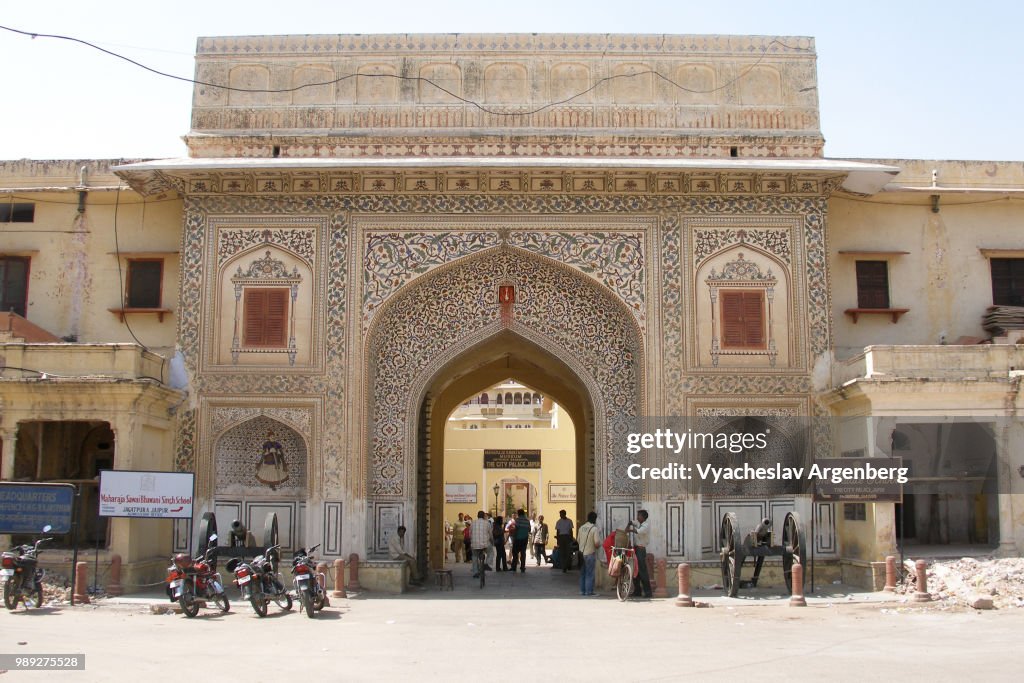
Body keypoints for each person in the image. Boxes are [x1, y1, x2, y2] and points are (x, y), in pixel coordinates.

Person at [577, 511, 601, 596]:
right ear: (594, 519)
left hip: (581, 554)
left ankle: (582, 591)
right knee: (589, 573)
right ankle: (589, 591)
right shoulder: (594, 529)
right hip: (590, 554)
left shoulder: (581, 528)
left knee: (583, 573)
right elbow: (597, 543)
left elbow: (578, 541)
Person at [631, 509, 653, 598]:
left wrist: (630, 530)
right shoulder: (639, 524)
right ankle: (637, 591)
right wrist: (631, 523)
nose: (637, 517)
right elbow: (634, 523)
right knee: (635, 571)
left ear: (643, 517)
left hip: (641, 550)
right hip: (636, 549)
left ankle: (648, 592)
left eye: (639, 516)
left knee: (642, 571)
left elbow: (638, 531)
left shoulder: (646, 525)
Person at [470, 510, 493, 579]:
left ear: (477, 516)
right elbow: (490, 535)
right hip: (485, 544)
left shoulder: (472, 523)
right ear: (484, 516)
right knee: (491, 552)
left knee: (474, 556)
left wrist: (472, 540)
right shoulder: (487, 523)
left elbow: (470, 534)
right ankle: (487, 563)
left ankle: (475, 572)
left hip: (474, 544)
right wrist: (492, 542)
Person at [510, 508, 531, 573]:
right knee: (523, 553)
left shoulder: (517, 520)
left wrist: (514, 537)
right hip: (525, 539)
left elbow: (516, 529)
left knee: (515, 553)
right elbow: (529, 530)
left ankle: (514, 567)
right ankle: (522, 567)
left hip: (517, 539)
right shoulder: (527, 521)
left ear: (519, 514)